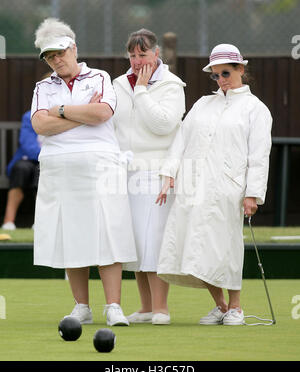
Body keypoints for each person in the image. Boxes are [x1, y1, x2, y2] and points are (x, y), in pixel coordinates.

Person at [156, 44, 272, 325]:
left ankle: (236, 308)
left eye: (225, 73)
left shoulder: (256, 109)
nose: (220, 79)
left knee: (226, 247)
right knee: (192, 244)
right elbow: (181, 140)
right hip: (192, 186)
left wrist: (253, 194)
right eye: (215, 75)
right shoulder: (202, 105)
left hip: (228, 190)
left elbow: (259, 155)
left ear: (240, 70)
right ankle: (220, 306)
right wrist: (169, 174)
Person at [31, 18, 137, 326]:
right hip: (60, 168)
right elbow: (40, 124)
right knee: (71, 236)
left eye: (60, 52)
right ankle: (82, 306)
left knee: (109, 233)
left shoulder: (101, 77)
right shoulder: (42, 86)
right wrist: (83, 115)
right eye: (50, 56)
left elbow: (103, 112)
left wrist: (61, 111)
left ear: (73, 48)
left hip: (101, 166)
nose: (56, 60)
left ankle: (114, 306)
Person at [113, 29, 186, 325]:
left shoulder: (172, 85)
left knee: (154, 241)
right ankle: (145, 308)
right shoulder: (118, 84)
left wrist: (142, 92)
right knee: (136, 244)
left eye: (142, 54)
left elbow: (163, 125)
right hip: (125, 173)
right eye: (132, 55)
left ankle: (161, 309)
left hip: (157, 172)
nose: (136, 60)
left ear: (156, 54)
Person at [1, 111, 41, 230]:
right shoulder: (29, 116)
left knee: (43, 173)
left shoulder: (62, 116)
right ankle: (8, 222)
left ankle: (40, 221)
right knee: (20, 169)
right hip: (29, 159)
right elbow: (27, 144)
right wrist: (46, 154)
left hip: (48, 163)